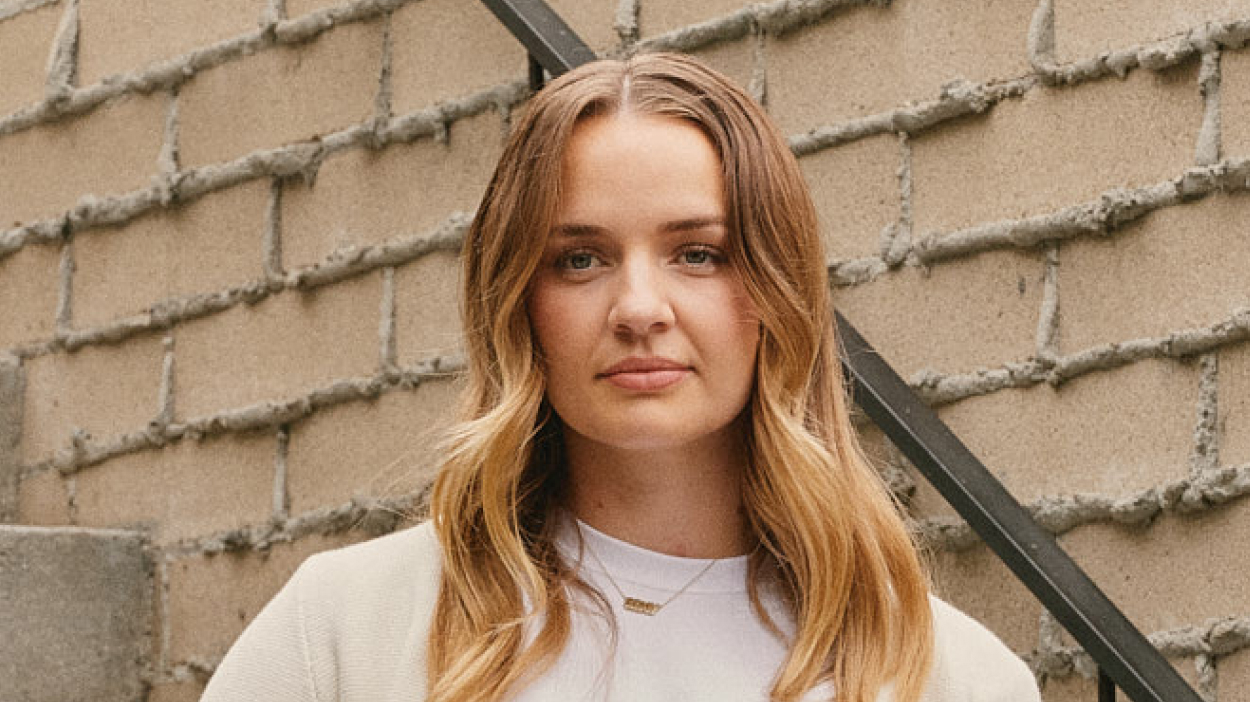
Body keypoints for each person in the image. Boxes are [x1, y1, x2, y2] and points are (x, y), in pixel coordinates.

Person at [200, 52, 1040, 702]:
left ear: (781, 294)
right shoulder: (347, 629)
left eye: (699, 254)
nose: (639, 307)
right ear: (517, 303)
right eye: (579, 259)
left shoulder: (951, 675)